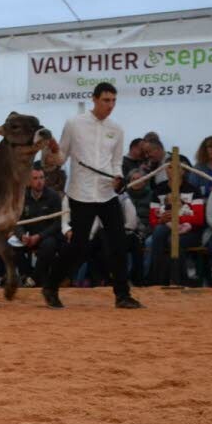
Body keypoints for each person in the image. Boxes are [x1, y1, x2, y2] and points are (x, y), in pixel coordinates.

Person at [43, 82, 142, 309]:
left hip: (107, 193)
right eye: (106, 100)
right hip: (81, 193)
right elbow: (61, 158)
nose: (110, 105)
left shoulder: (117, 129)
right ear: (94, 99)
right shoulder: (74, 124)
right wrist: (53, 151)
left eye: (113, 101)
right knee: (78, 246)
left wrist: (118, 178)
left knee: (118, 242)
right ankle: (50, 286)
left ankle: (122, 295)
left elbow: (116, 163)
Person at [7, 167, 63, 287]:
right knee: (11, 245)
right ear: (29, 181)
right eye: (35, 178)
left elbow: (58, 223)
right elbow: (17, 222)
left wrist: (39, 236)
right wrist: (22, 236)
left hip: (47, 236)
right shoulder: (22, 197)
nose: (39, 181)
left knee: (49, 245)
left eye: (41, 178)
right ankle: (26, 275)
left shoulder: (54, 196)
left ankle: (34, 278)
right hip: (28, 236)